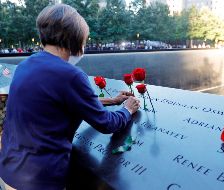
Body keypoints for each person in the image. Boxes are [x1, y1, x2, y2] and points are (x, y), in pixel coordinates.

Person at [0, 4, 140, 190]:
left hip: (8, 172)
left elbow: (56, 102)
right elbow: (106, 124)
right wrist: (127, 109)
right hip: (40, 181)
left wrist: (111, 100)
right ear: (75, 39)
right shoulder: (70, 75)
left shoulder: (27, 65)